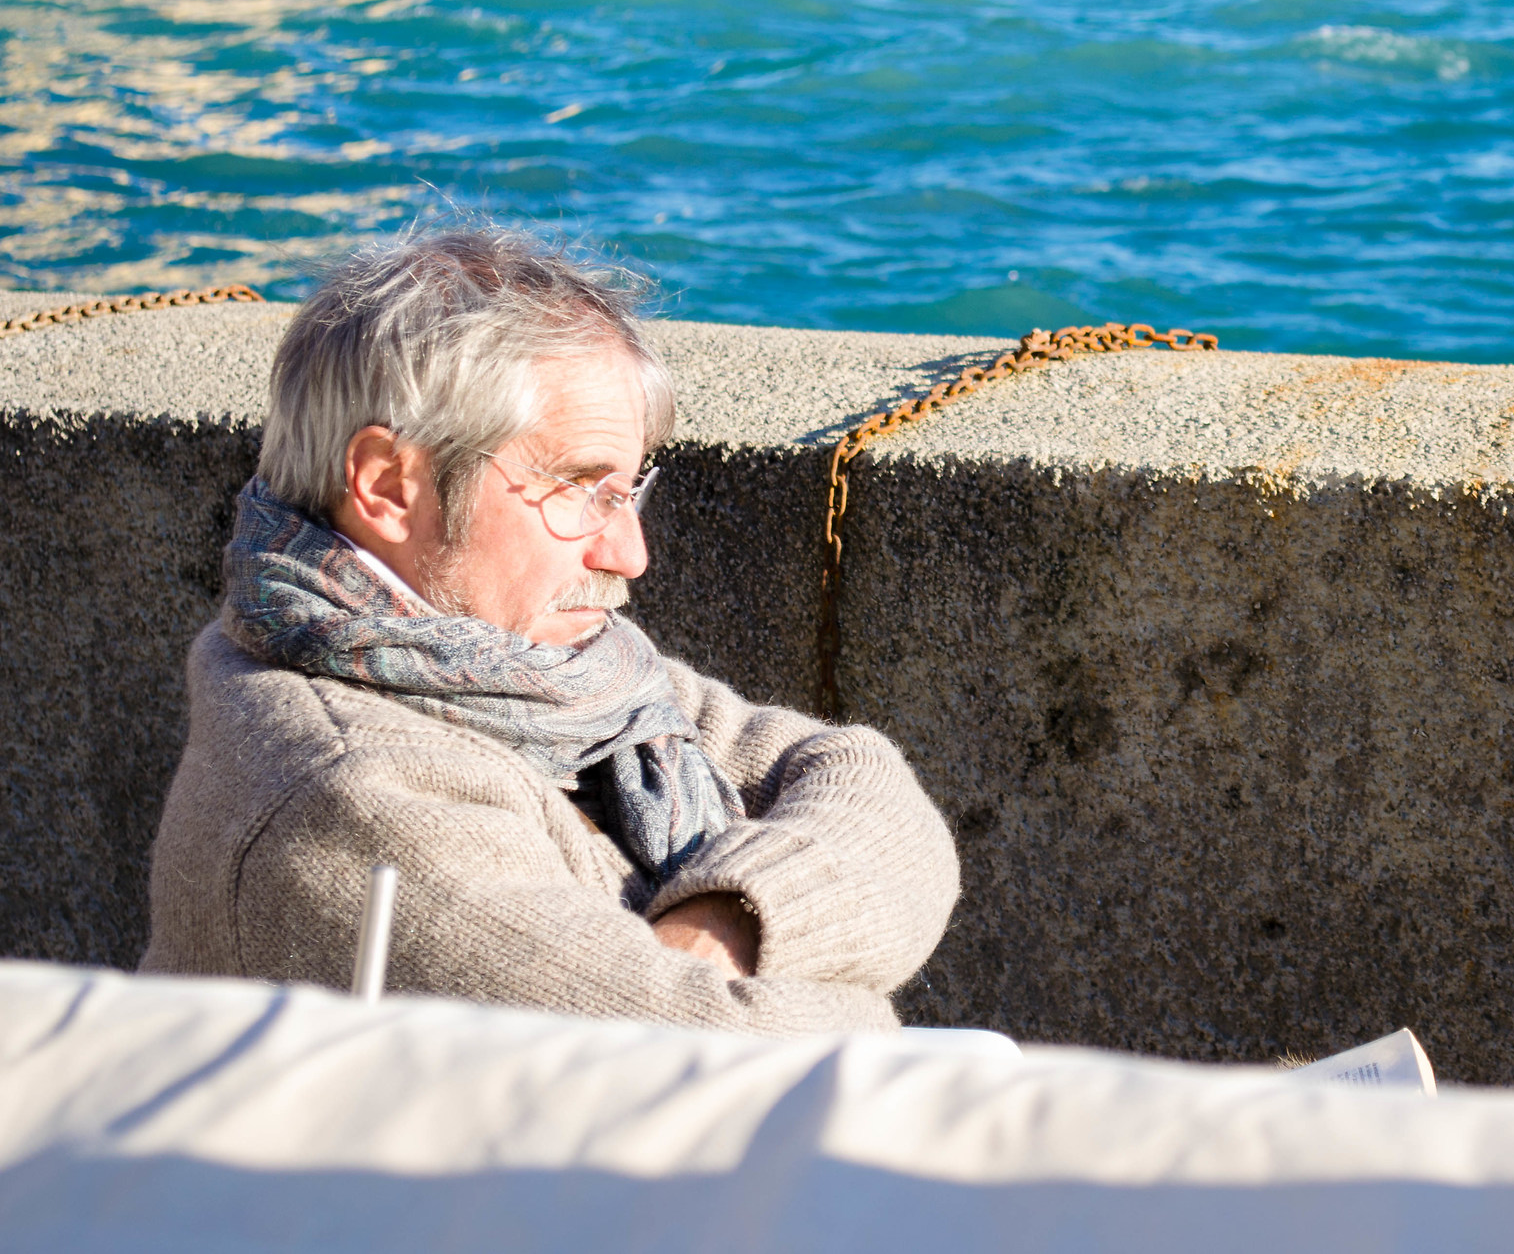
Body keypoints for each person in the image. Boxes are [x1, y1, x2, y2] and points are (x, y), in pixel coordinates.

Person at [141, 229, 960, 1034]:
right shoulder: (350, 790)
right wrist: (835, 960)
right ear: (389, 485)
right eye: (578, 487)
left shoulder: (558, 677)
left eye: (627, 492)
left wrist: (728, 921)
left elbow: (877, 796)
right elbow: (712, 1053)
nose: (630, 554)